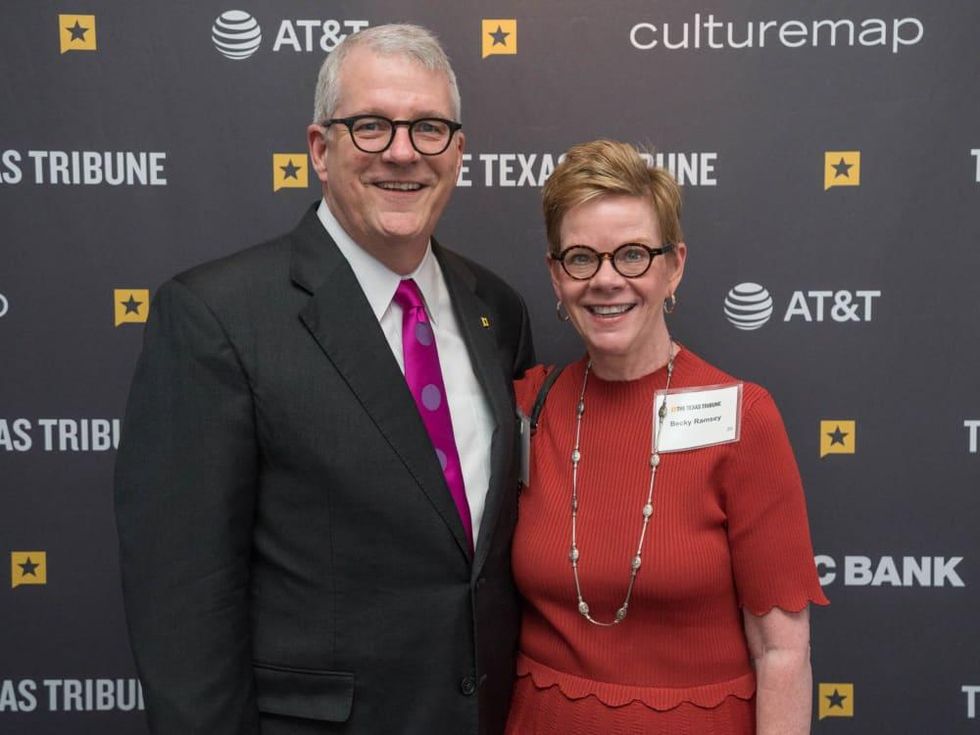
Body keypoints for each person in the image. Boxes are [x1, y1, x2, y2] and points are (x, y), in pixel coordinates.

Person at [114, 24, 534, 734]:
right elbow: (182, 607)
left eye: (429, 128)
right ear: (320, 148)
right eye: (371, 126)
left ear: (458, 154)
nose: (403, 153)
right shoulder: (217, 316)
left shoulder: (497, 309)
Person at [506, 139, 828, 734]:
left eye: (632, 255)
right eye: (581, 258)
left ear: (674, 265)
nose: (607, 280)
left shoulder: (743, 417)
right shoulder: (529, 404)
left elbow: (782, 654)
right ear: (556, 276)